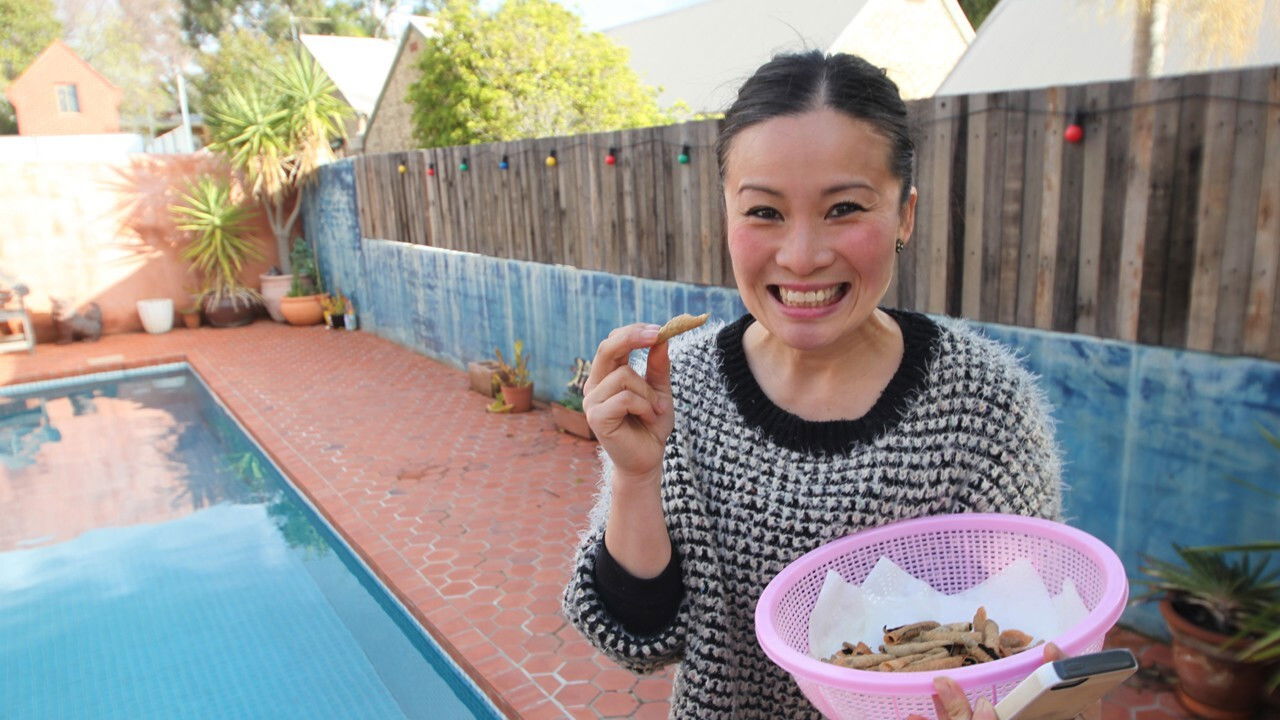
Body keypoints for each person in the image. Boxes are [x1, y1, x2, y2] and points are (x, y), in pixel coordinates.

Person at [561, 51, 1063, 720]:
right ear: (726, 217)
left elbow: (1033, 663)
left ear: (905, 215)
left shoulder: (985, 409)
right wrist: (633, 477)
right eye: (764, 212)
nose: (801, 256)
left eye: (844, 208)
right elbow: (641, 641)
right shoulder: (679, 388)